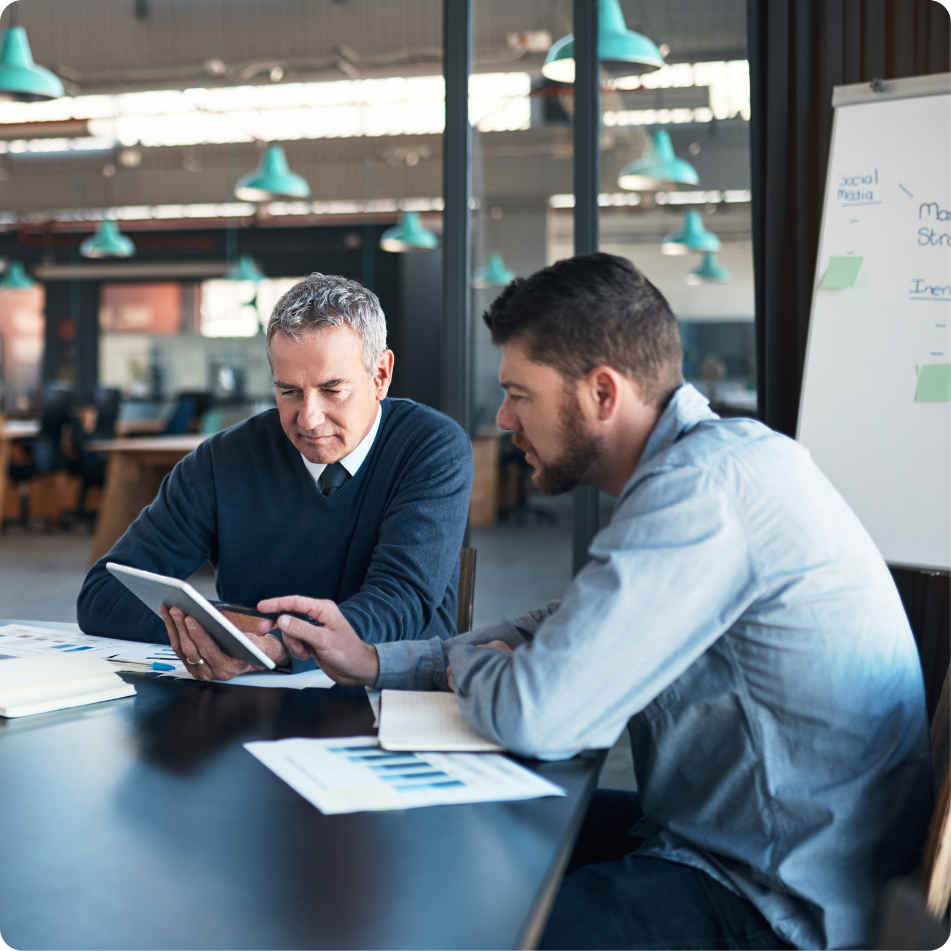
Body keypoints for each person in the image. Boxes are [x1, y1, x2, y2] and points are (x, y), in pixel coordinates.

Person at [248, 254, 932, 951]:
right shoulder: (711, 466)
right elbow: (570, 620)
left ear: (602, 393)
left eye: (521, 393)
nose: (506, 418)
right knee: (448, 835)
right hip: (740, 839)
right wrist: (373, 660)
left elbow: (537, 715)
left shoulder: (702, 494)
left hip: (774, 895)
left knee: (473, 926)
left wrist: (474, 670)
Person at [77, 272, 472, 681]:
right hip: (252, 699)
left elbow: (399, 600)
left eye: (333, 390)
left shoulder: (430, 446)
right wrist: (240, 636)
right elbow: (103, 596)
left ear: (380, 376)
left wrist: (272, 645)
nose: (309, 418)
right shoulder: (221, 461)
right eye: (289, 392)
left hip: (392, 696)